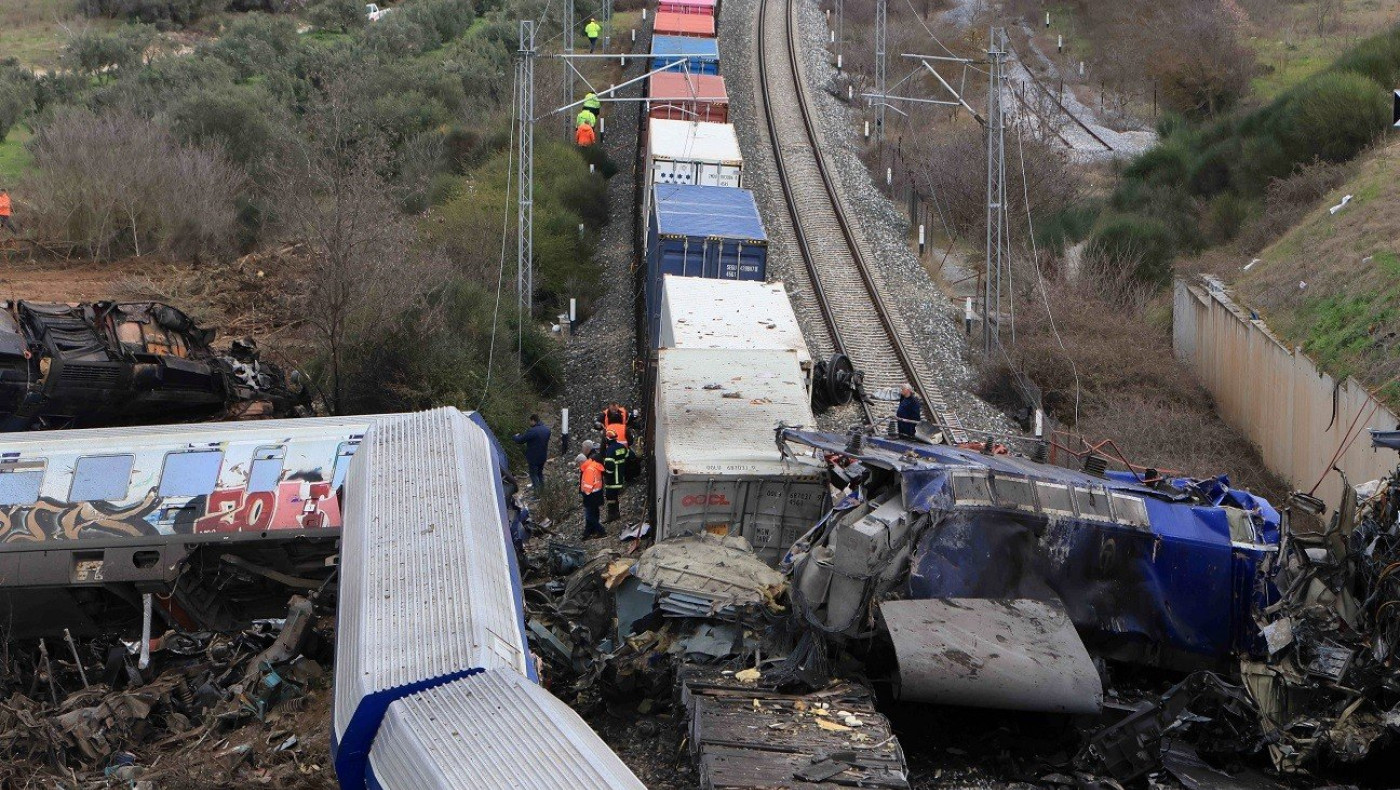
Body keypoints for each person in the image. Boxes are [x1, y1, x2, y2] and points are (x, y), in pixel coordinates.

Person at [511, 414, 551, 490]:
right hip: (543, 456)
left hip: (533, 457)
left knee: (533, 475)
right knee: (540, 474)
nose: (530, 423)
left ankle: (537, 493)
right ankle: (543, 492)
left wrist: (515, 437)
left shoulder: (532, 431)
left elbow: (520, 440)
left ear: (533, 420)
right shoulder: (547, 430)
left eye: (530, 421)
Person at [579, 449, 606, 539]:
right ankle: (589, 532)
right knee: (594, 513)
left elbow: (588, 485)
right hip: (597, 494)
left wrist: (584, 494)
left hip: (590, 496)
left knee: (590, 516)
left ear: (581, 462)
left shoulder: (588, 470)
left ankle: (600, 530)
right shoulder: (594, 466)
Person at [603, 430, 628, 522]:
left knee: (610, 497)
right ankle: (617, 513)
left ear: (608, 439)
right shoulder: (622, 447)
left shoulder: (610, 450)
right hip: (621, 477)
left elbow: (609, 466)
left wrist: (606, 475)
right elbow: (628, 456)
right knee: (615, 496)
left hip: (613, 479)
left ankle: (612, 514)